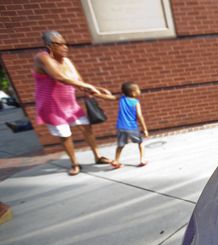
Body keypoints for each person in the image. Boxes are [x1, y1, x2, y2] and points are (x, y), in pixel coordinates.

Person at [33, 30, 113, 176]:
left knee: (87, 128)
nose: (65, 47)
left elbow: (79, 81)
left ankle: (97, 157)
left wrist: (98, 89)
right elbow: (59, 77)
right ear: (49, 45)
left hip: (70, 105)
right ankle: (74, 163)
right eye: (60, 44)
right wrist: (90, 87)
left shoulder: (68, 61)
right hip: (51, 107)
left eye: (65, 43)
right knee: (65, 135)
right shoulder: (42, 58)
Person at [97, 82, 149, 168]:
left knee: (120, 145)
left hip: (120, 127)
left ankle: (116, 161)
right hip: (132, 127)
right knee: (140, 142)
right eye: (138, 90)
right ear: (133, 92)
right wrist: (145, 129)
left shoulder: (121, 98)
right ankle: (142, 159)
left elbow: (109, 97)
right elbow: (139, 116)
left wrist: (96, 94)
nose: (140, 91)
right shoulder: (135, 102)